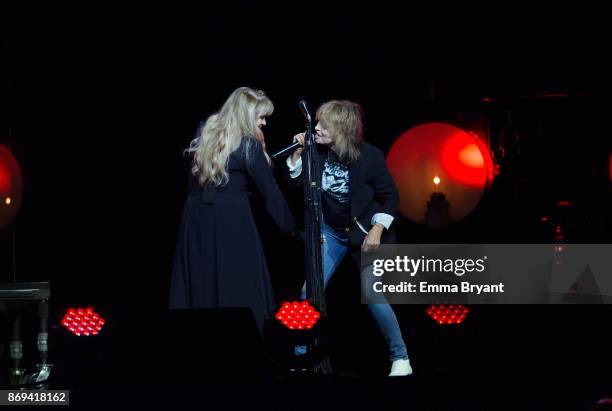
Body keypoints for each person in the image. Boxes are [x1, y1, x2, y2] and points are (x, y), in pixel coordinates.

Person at [286, 100, 412, 376]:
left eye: (323, 124)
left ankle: (400, 357)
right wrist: (298, 153)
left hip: (366, 233)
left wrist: (378, 230)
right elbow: (297, 183)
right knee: (309, 292)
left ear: (341, 129)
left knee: (372, 292)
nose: (316, 128)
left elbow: (390, 197)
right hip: (331, 233)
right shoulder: (316, 153)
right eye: (316, 122)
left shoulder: (369, 156)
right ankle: (301, 358)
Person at [169, 87, 298, 332]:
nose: (264, 122)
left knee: (203, 282)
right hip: (231, 220)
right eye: (260, 116)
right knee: (238, 282)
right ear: (246, 115)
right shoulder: (248, 143)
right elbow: (270, 193)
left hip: (196, 219)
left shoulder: (206, 133)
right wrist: (292, 230)